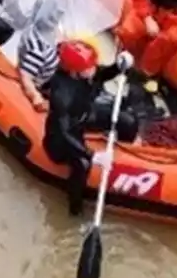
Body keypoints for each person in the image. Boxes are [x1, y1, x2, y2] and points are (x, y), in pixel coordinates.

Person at [42, 40, 140, 217]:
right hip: (63, 135)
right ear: (73, 71)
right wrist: (92, 156)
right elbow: (64, 132)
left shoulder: (85, 73)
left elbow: (102, 74)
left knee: (127, 121)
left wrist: (119, 65)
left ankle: (126, 153)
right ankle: (75, 209)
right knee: (82, 164)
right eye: (89, 67)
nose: (94, 69)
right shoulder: (62, 95)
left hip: (85, 114)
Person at [18, 0, 63, 111]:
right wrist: (35, 96)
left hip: (53, 65)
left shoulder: (39, 29)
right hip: (43, 80)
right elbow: (25, 76)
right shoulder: (37, 50)